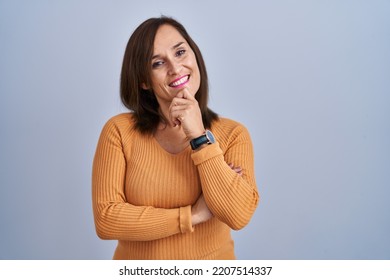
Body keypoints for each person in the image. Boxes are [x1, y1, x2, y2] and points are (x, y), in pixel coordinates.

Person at [92, 16, 259, 260]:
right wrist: (193, 215)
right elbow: (106, 220)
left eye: (180, 52)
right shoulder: (118, 132)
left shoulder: (233, 135)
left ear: (195, 55)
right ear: (143, 81)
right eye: (158, 63)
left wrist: (199, 137)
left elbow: (238, 214)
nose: (175, 68)